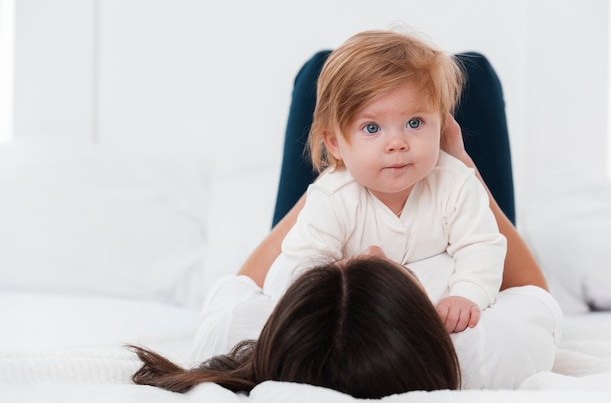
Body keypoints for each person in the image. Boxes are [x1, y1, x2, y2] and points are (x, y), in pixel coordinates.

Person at [131, 31, 562, 393]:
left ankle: (364, 124)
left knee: (323, 73)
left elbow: (259, 278)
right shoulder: (479, 353)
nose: (377, 250)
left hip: (343, 169)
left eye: (354, 266)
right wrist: (460, 161)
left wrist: (334, 171)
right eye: (385, 272)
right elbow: (529, 291)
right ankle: (387, 121)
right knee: (473, 72)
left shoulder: (241, 331)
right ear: (418, 306)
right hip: (421, 175)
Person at [263, 30, 506, 333]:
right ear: (335, 144)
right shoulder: (332, 198)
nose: (397, 143)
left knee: (476, 68)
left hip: (433, 308)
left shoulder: (456, 183)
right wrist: (343, 271)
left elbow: (482, 246)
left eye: (414, 123)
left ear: (441, 125)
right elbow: (299, 267)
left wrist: (466, 294)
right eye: (372, 127)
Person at [132, 251, 461, 398]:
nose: (374, 246)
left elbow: (244, 277)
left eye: (340, 258)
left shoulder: (237, 323)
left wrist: (326, 188)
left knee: (330, 119)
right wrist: (463, 170)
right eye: (406, 272)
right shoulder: (477, 340)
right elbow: (514, 273)